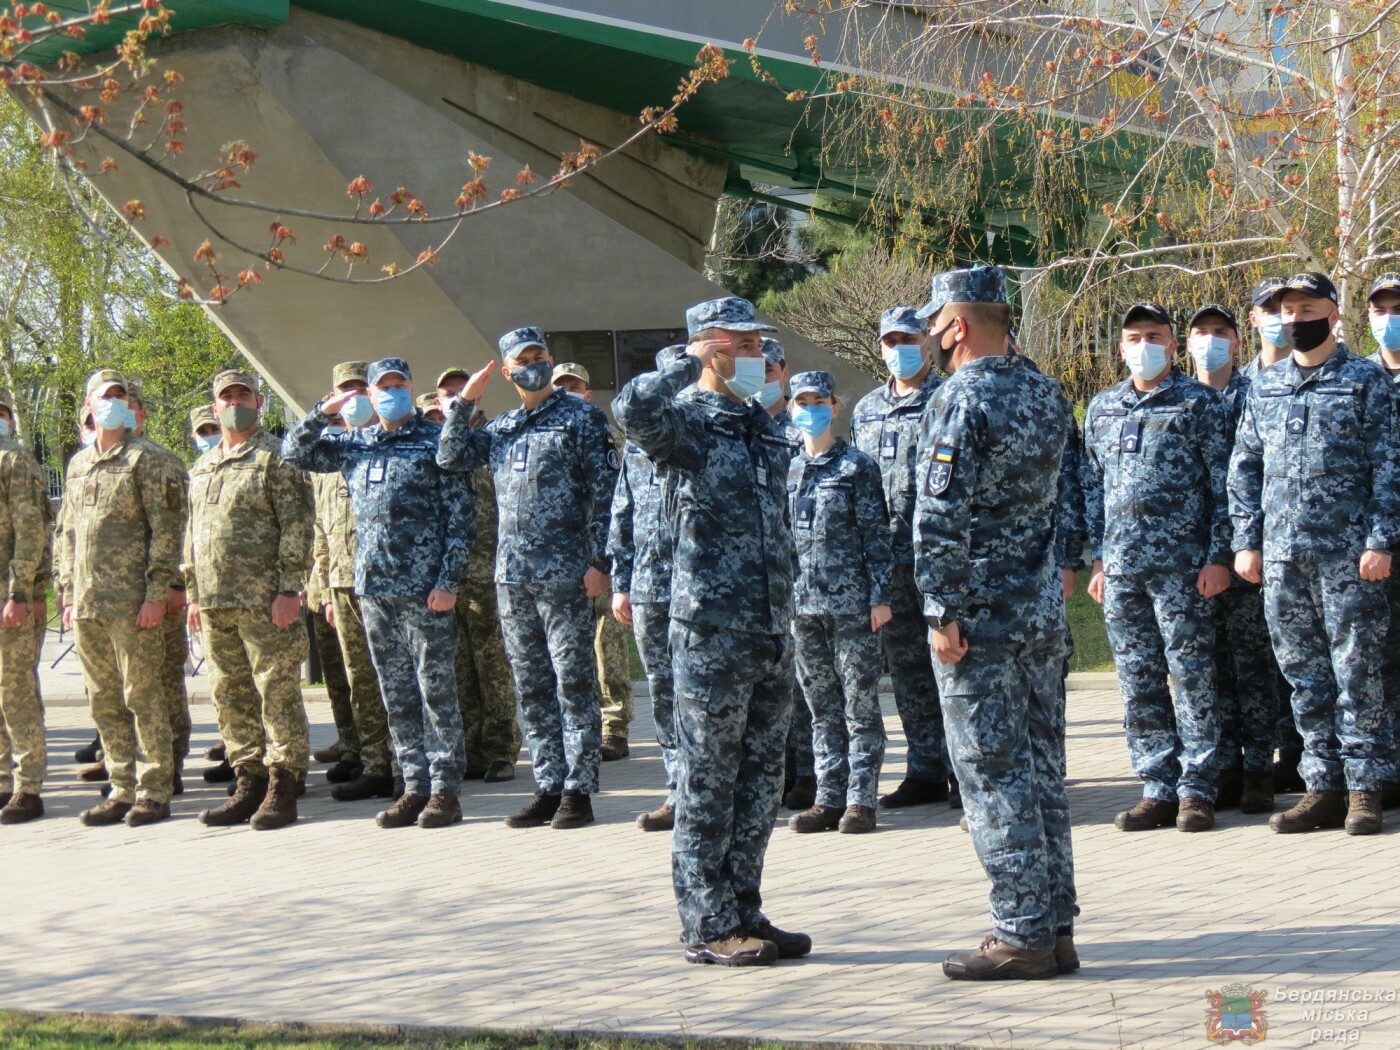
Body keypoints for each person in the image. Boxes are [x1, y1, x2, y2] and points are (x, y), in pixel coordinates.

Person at [615, 295, 808, 968]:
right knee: (708, 782)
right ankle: (706, 921)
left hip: (768, 629)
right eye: (749, 346)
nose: (762, 358)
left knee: (760, 781)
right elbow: (633, 411)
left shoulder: (758, 424)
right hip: (709, 634)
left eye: (760, 346)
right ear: (715, 349)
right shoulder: (685, 423)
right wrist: (680, 362)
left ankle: (744, 907)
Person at [911, 265, 1079, 981]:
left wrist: (942, 611)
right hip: (1038, 615)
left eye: (934, 322)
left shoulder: (959, 399)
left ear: (958, 325)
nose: (927, 336)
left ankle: (1021, 932)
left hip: (978, 622)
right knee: (1042, 773)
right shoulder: (1045, 392)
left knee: (992, 775)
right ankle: (1055, 924)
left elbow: (939, 516)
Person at [1231, 272, 1399, 836]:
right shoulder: (1266, 386)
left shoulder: (1365, 382)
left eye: (1307, 307)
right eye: (1287, 310)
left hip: (1349, 558)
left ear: (1333, 313)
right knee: (1303, 676)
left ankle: (1366, 788)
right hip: (1283, 559)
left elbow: (1389, 466)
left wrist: (1380, 540)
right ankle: (1321, 786)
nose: (1295, 318)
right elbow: (1245, 467)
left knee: (1358, 671)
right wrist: (1246, 541)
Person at [283, 357, 474, 829]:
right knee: (396, 693)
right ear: (368, 394)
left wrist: (448, 581)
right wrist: (321, 413)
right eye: (382, 386)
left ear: (412, 388)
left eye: (399, 384)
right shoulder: (356, 444)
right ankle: (413, 785)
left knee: (436, 692)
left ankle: (445, 790)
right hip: (374, 589)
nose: (391, 392)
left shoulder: (435, 441)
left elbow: (461, 518)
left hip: (425, 590)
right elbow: (294, 452)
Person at [437, 329, 615, 831]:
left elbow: (605, 493)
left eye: (541, 357)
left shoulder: (581, 417)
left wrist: (601, 562)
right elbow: (449, 457)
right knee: (531, 684)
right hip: (513, 576)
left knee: (573, 681)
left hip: (566, 574)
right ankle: (547, 782)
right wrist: (467, 401)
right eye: (523, 360)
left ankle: (578, 790)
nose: (533, 365)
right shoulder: (503, 428)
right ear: (508, 370)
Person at [1083, 303, 1231, 833]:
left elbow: (1223, 488)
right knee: (1138, 681)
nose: (1143, 345)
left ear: (1172, 345)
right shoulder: (1102, 409)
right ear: (1120, 347)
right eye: (1133, 337)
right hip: (1123, 571)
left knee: (1191, 677)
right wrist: (1097, 559)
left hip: (1184, 569)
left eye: (1154, 336)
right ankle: (1156, 785)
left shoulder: (1199, 404)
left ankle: (1197, 788)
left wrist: (1218, 556)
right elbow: (1091, 490)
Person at [188, 369, 314, 831]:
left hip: (265, 600)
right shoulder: (202, 466)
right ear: (215, 406)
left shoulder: (276, 457)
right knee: (229, 694)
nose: (235, 402)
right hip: (217, 602)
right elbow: (194, 535)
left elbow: (297, 527)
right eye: (227, 397)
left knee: (276, 693)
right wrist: (195, 595)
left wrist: (287, 588)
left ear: (259, 403)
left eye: (243, 395)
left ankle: (284, 782)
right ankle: (248, 779)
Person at [56, 369, 181, 827]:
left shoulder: (147, 460)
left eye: (120, 396)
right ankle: (120, 785)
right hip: (89, 606)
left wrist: (155, 593)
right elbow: (67, 533)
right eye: (104, 396)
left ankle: (153, 790)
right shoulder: (77, 464)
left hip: (134, 605)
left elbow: (166, 532)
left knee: (142, 696)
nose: (112, 403)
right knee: (104, 700)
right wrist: (67, 594)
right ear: (88, 406)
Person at [850, 305, 954, 810]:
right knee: (908, 670)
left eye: (908, 340)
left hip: (940, 554)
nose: (899, 351)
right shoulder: (867, 408)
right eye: (890, 342)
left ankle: (963, 770)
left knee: (950, 661)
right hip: (888, 559)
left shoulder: (948, 399)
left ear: (928, 342)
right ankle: (925, 769)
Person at [784, 370, 892, 835]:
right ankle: (828, 796)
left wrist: (880, 596)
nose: (809, 408)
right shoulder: (784, 468)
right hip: (801, 608)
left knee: (860, 707)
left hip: (852, 607)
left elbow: (876, 536)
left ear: (834, 405)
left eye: (818, 400)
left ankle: (861, 800)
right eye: (800, 401)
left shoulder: (856, 467)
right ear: (790, 409)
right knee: (820, 708)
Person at [1187, 303, 1281, 814]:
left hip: (1248, 553)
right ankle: (1220, 766)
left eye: (1219, 332)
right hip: (1189, 557)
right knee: (1208, 667)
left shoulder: (1257, 392)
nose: (1209, 340)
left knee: (1253, 665)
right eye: (1200, 332)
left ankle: (1259, 771)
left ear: (1237, 341)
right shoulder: (1176, 398)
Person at [308, 361, 395, 803]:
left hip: (386, 580)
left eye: (362, 388)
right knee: (358, 679)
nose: (354, 396)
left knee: (393, 677)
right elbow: (321, 530)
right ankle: (371, 759)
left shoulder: (389, 443)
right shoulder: (329, 451)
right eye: (346, 389)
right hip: (341, 583)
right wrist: (322, 586)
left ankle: (400, 760)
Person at [610, 345, 686, 832]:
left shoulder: (703, 434)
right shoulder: (635, 448)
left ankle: (722, 787)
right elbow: (623, 512)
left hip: (702, 587)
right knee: (663, 690)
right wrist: (621, 582)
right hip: (649, 587)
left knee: (710, 694)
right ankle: (678, 789)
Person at [433, 367, 520, 784]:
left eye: (460, 392)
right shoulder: (436, 446)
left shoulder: (495, 440)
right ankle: (471, 749)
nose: (454, 398)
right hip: (447, 579)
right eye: (446, 394)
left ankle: (502, 750)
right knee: (458, 668)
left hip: (491, 570)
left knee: (494, 668)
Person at [552, 361, 633, 762]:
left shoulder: (604, 436)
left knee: (607, 650)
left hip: (598, 557)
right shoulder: (546, 436)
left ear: (588, 392)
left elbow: (614, 501)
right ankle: (577, 726)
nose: (568, 389)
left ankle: (614, 728)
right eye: (560, 384)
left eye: (575, 385)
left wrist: (605, 560)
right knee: (570, 655)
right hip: (559, 564)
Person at [1242, 277, 1305, 791]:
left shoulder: (1344, 375)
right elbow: (1242, 469)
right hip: (1264, 549)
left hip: (1326, 550)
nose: (1281, 319)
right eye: (1270, 309)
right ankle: (1281, 756)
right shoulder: (1250, 386)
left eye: (1287, 308)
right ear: (1255, 319)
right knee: (1272, 661)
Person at [124, 382, 196, 795]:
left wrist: (175, 584)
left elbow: (179, 529)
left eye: (130, 405)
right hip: (116, 599)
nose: (122, 413)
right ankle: (133, 764)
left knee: (166, 681)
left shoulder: (162, 462)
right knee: (130, 688)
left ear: (142, 414)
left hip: (158, 594)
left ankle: (171, 763)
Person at [756, 337, 816, 812]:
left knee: (805, 678)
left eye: (771, 369)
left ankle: (809, 770)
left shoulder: (798, 432)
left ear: (785, 372)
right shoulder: (742, 427)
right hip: (759, 574)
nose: (763, 377)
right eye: (755, 367)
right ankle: (780, 768)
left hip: (805, 571)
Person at [0, 390, 53, 825]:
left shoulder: (14, 460)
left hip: (8, 597)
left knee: (14, 690)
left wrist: (21, 592)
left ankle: (28, 784)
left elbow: (30, 529)